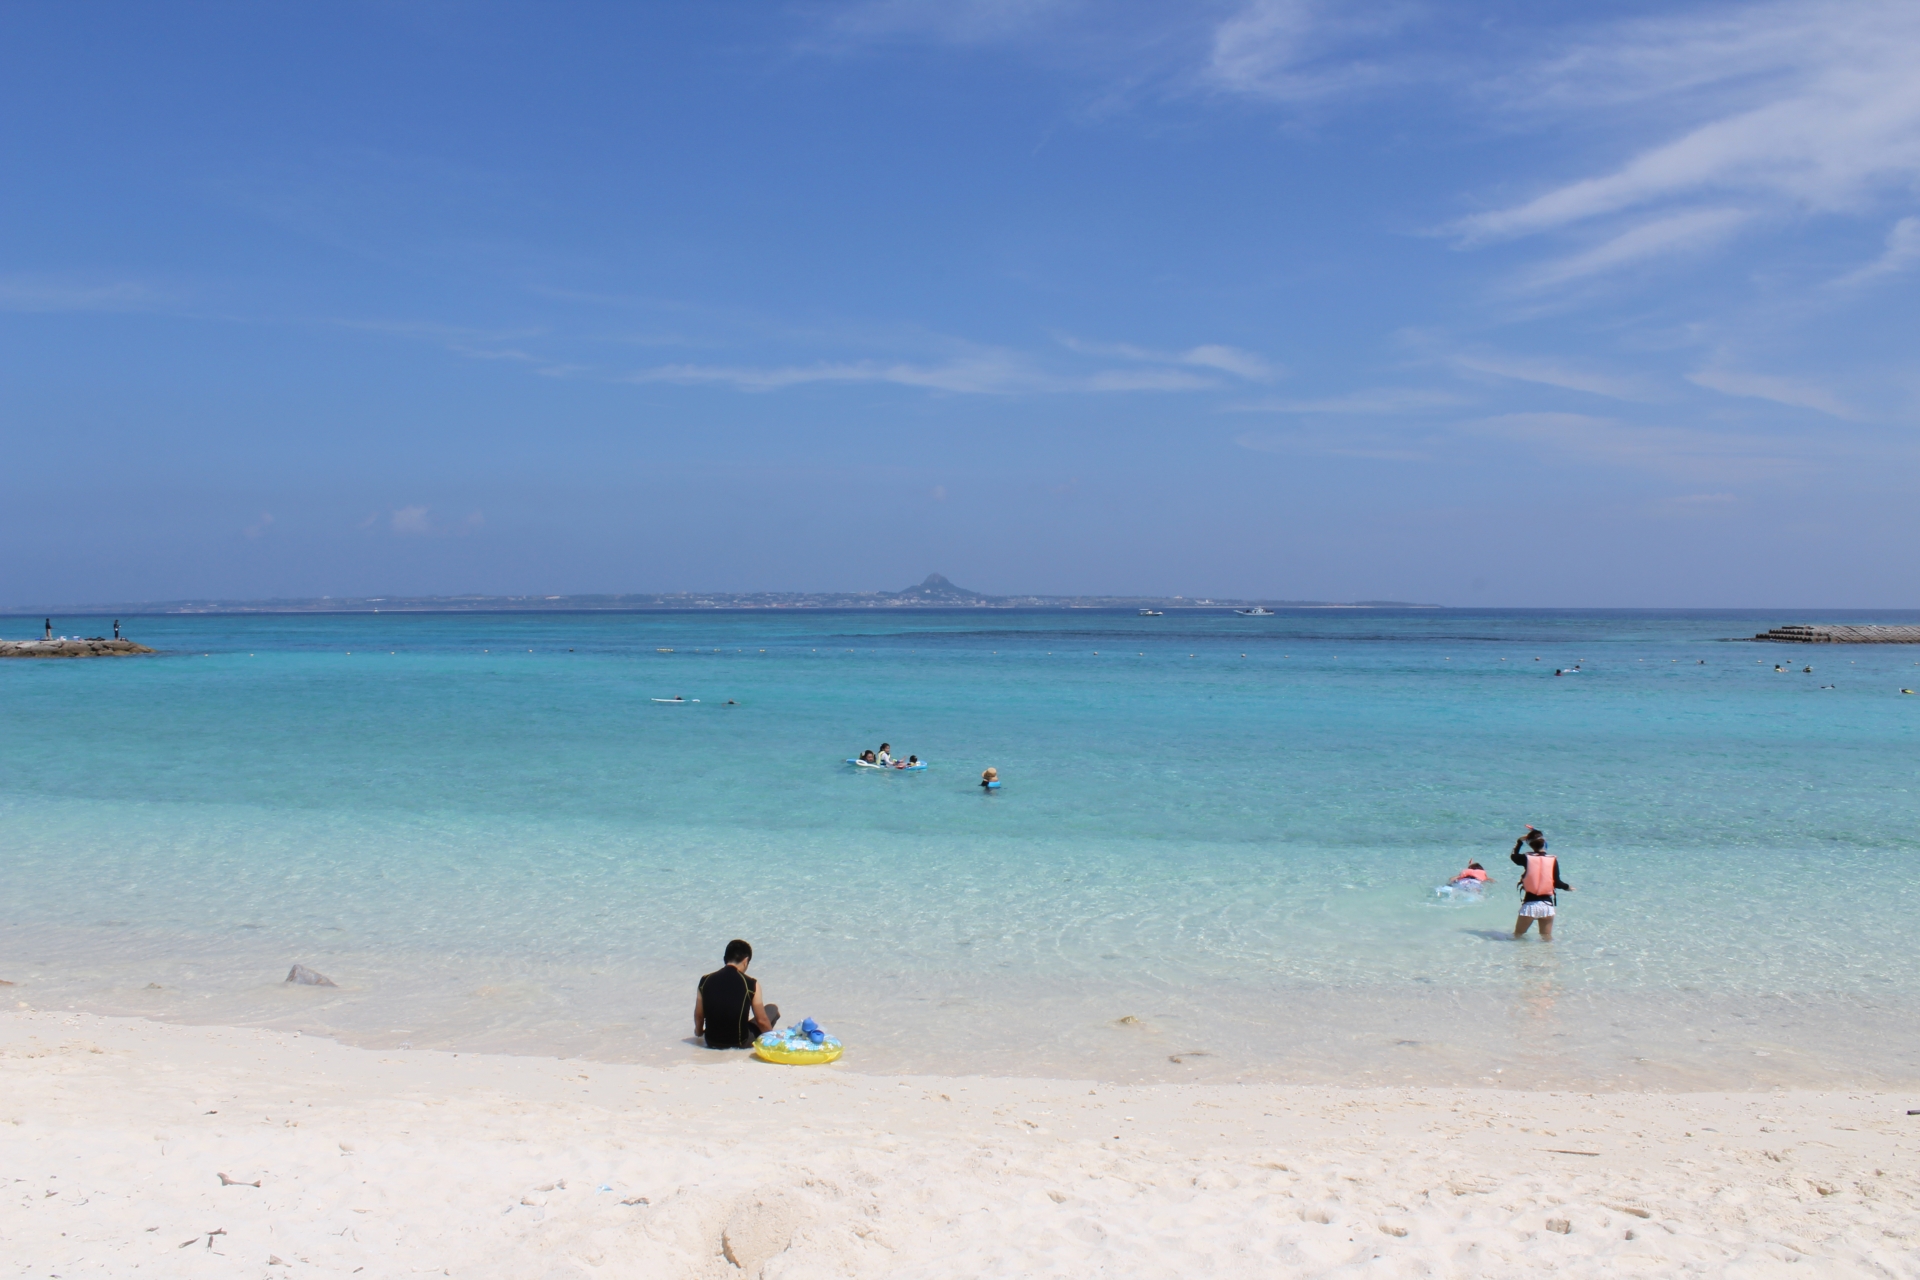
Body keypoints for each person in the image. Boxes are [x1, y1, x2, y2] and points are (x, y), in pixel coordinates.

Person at [694, 939, 779, 1049]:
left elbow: (699, 1016)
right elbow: (761, 1020)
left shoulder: (704, 981)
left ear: (725, 958)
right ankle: (769, 1040)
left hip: (711, 1041)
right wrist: (775, 1041)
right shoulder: (751, 984)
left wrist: (699, 1032)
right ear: (745, 960)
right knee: (772, 1009)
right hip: (739, 1042)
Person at [1510, 827, 1572, 939]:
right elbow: (1557, 883)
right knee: (1546, 939)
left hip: (1530, 906)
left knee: (1517, 937)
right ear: (1544, 843)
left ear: (1530, 844)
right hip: (1547, 907)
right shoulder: (1552, 860)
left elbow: (1514, 856)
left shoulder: (1526, 858)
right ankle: (1548, 956)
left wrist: (1519, 841)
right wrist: (1568, 887)